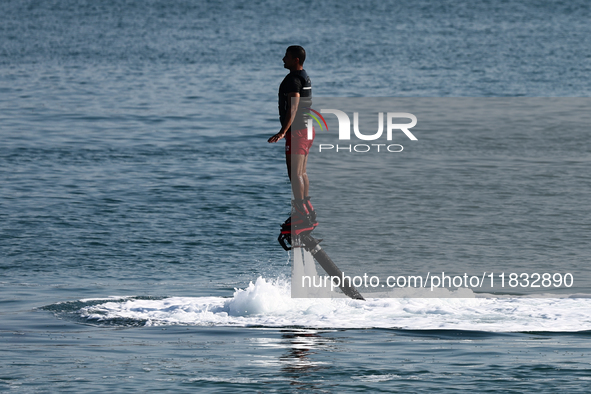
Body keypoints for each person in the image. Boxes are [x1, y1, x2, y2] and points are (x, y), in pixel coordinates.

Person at [268, 45, 317, 230]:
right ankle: (306, 210)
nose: (283, 59)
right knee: (301, 172)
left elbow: (293, 107)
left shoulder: (294, 79)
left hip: (297, 131)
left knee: (295, 173)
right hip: (306, 129)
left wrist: (282, 131)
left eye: (286, 57)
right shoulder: (304, 75)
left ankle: (300, 215)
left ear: (296, 59)